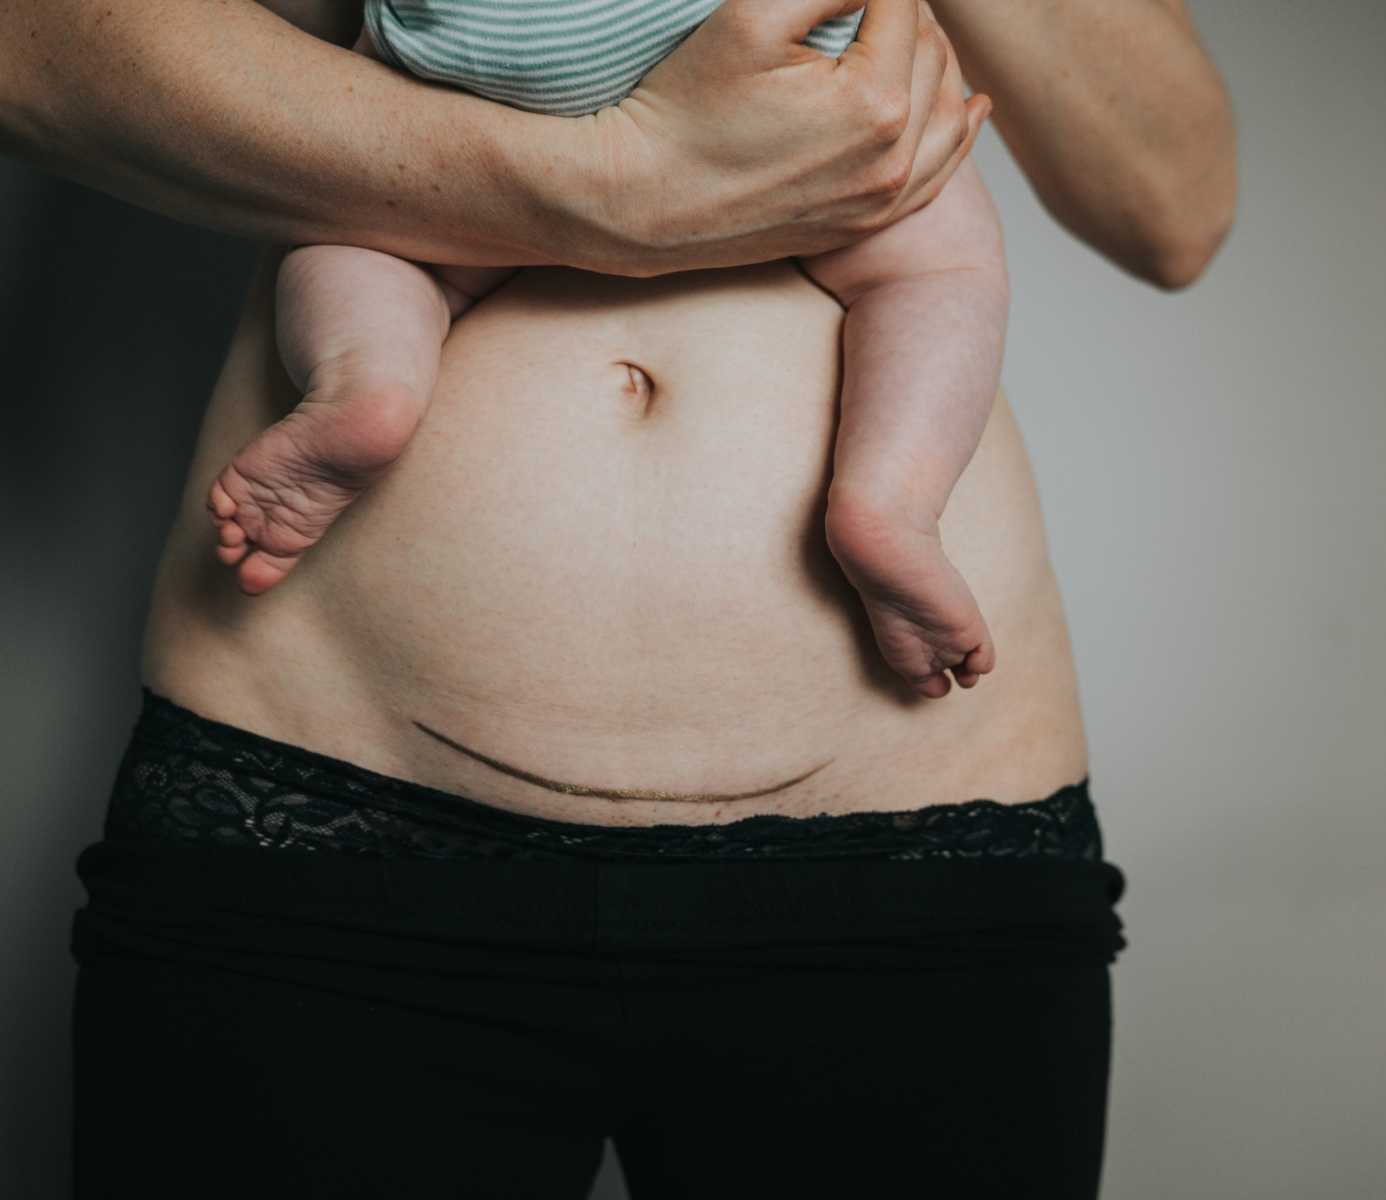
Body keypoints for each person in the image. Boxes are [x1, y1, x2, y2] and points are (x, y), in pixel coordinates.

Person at [2, 1, 1235, 1196]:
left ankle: (370, 379)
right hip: (322, 805)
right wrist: (607, 179)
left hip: (916, 838)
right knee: (931, 262)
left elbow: (1171, 204)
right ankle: (863, 499)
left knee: (368, 268)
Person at [211, 1, 1010, 698]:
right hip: (775, 66)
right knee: (940, 270)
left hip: (495, 52)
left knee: (366, 238)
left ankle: (366, 378)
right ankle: (892, 501)